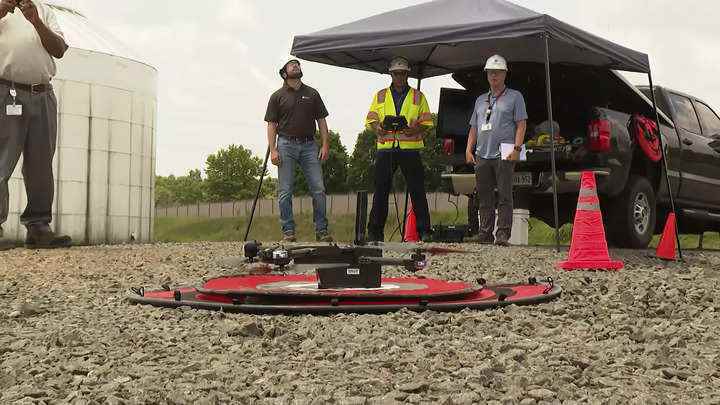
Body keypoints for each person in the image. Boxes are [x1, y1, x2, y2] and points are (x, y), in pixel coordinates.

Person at [0, 0, 71, 250]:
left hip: (42, 93)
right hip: (6, 91)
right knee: (1, 162)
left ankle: (39, 227)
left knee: (41, 164)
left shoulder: (43, 10)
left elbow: (59, 49)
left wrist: (36, 21)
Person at [365, 57, 434, 242]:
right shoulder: (380, 95)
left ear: (407, 74)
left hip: (410, 148)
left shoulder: (418, 96)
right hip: (386, 148)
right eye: (396, 73)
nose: (399, 76)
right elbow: (371, 120)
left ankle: (425, 231)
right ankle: (374, 233)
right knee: (381, 191)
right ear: (391, 74)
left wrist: (415, 129)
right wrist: (377, 128)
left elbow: (427, 122)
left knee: (417, 190)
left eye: (403, 73)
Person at [264, 59, 333, 242]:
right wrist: (273, 150)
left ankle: (321, 230)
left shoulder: (312, 93)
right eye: (292, 65)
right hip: (286, 145)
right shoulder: (277, 96)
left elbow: (322, 121)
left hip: (310, 146)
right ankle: (288, 231)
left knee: (318, 189)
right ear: (284, 73)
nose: (296, 65)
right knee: (285, 190)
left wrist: (325, 144)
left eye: (298, 64)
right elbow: (271, 125)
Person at [465, 55, 527, 246]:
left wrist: (517, 148)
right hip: (482, 153)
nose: (494, 76)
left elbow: (521, 124)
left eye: (498, 72)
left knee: (505, 195)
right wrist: (469, 149)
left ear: (505, 74)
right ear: (487, 75)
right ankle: (485, 233)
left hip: (504, 151)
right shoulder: (480, 100)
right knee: (484, 196)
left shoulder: (515, 96)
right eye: (491, 72)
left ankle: (502, 234)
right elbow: (474, 127)